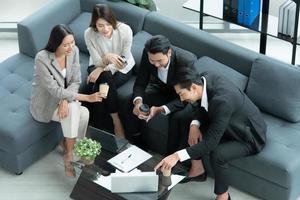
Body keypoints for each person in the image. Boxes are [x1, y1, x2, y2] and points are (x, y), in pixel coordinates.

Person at [154, 68, 267, 200]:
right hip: (225, 121)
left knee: (218, 154)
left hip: (249, 136)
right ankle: (197, 170)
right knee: (187, 120)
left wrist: (176, 156)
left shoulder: (223, 101)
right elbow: (202, 103)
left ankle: (223, 196)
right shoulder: (205, 79)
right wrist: (195, 124)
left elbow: (211, 143)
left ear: (194, 87)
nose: (181, 99)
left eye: (181, 94)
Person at [30, 24, 103, 177]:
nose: (70, 47)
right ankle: (69, 156)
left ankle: (72, 148)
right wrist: (87, 98)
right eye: (65, 45)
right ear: (56, 44)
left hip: (64, 98)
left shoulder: (73, 51)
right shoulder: (42, 59)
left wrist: (64, 100)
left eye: (72, 42)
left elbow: (76, 81)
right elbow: (54, 90)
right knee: (75, 110)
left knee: (83, 112)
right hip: (46, 103)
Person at [128, 35, 197, 151]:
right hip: (161, 89)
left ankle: (169, 156)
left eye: (159, 61)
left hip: (182, 97)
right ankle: (136, 141)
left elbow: (189, 95)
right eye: (152, 61)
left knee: (177, 118)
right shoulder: (148, 53)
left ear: (169, 53)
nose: (156, 65)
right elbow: (140, 82)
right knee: (131, 99)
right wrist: (138, 103)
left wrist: (161, 109)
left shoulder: (186, 61)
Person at [84, 4, 135, 138]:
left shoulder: (125, 30)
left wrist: (101, 68)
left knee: (99, 85)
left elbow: (123, 61)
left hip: (122, 68)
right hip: (97, 65)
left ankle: (100, 127)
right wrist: (106, 58)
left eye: (108, 24)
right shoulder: (89, 34)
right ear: (95, 24)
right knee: (104, 82)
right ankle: (115, 119)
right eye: (100, 26)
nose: (105, 29)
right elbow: (96, 61)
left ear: (112, 21)